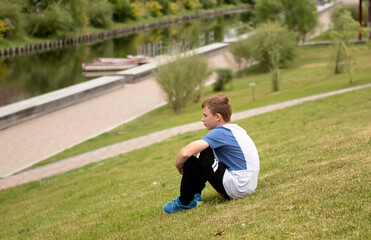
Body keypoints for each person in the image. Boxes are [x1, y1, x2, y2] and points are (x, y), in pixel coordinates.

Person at [163, 94, 260, 214]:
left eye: (205, 115)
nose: (202, 119)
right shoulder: (236, 129)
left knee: (197, 152)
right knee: (204, 150)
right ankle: (194, 196)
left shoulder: (220, 132)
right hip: (248, 185)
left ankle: (186, 201)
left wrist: (178, 163)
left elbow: (185, 153)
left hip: (238, 188)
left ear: (218, 117)